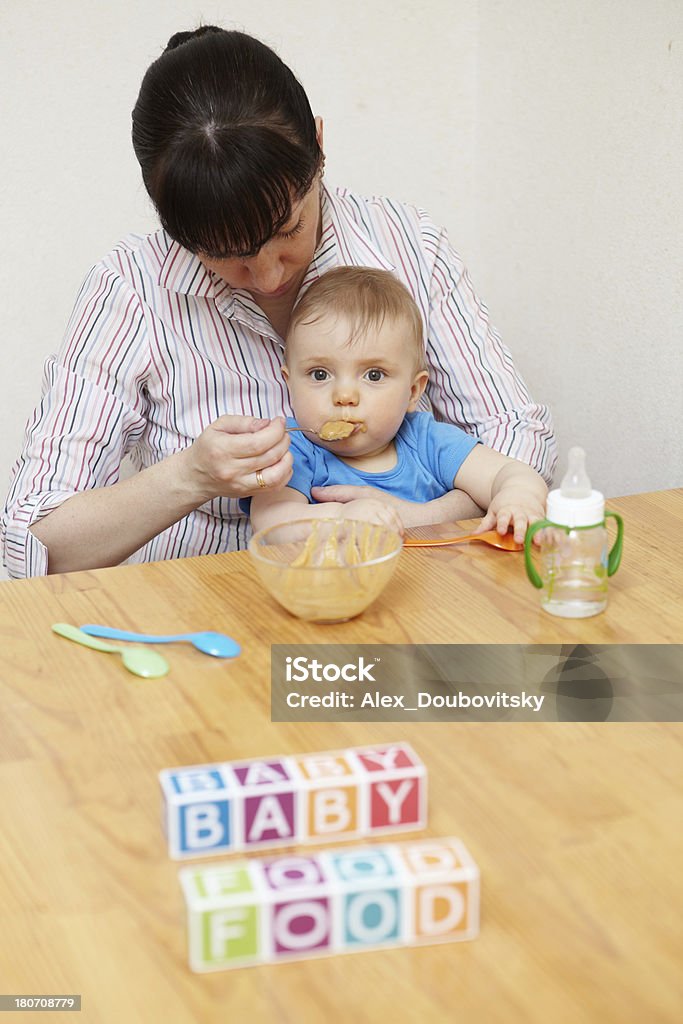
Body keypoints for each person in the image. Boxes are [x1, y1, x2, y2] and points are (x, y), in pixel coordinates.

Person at [1, 26, 556, 579]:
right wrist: (191, 478)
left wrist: (417, 518)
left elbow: (518, 440)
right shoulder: (130, 287)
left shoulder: (409, 245)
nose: (267, 277)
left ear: (318, 143)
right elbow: (30, 545)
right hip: (195, 602)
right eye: (224, 253)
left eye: (288, 228)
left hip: (406, 590)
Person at [247, 267, 548, 542]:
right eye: (320, 374)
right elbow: (271, 525)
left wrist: (517, 497)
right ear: (290, 383)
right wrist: (341, 519)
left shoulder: (427, 440)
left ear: (413, 391)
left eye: (374, 375)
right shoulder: (291, 450)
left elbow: (508, 473)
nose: (344, 395)